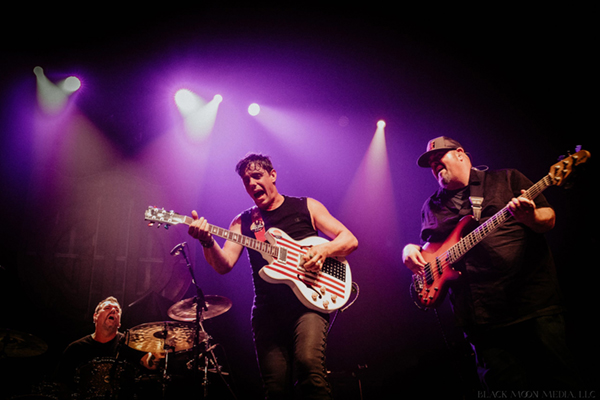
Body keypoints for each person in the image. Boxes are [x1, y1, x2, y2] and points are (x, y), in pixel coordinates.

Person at [402, 137, 581, 392]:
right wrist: (410, 250)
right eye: (430, 163)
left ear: (460, 153)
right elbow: (430, 249)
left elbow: (548, 218)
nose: (434, 165)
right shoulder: (432, 205)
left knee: (558, 382)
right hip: (481, 319)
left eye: (438, 158)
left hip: (532, 305)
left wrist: (530, 216)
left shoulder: (508, 178)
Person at [187, 152, 358, 399]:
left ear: (273, 175)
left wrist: (324, 249)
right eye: (247, 181)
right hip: (268, 312)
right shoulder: (243, 222)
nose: (252, 183)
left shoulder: (306, 206)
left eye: (257, 176)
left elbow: (349, 239)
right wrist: (206, 240)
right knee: (275, 389)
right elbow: (224, 265)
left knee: (310, 367)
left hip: (310, 302)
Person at [55, 296, 161, 394]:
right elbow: (61, 385)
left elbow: (149, 363)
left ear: (119, 323)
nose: (113, 310)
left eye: (117, 310)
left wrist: (157, 355)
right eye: (107, 308)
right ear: (95, 317)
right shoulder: (75, 349)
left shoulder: (129, 343)